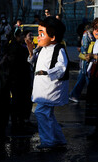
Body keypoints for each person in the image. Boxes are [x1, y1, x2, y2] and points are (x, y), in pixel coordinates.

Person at [30, 16, 68, 149]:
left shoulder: (58, 49)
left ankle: (48, 140)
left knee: (41, 112)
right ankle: (58, 139)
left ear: (52, 37)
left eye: (41, 34)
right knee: (48, 114)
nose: (38, 37)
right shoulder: (42, 49)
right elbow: (32, 61)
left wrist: (47, 73)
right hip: (43, 87)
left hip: (50, 87)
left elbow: (62, 67)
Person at [7, 29, 33, 135]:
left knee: (19, 100)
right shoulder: (16, 47)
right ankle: (17, 122)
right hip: (19, 78)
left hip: (19, 77)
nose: (23, 37)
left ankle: (19, 121)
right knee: (18, 100)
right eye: (21, 35)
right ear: (17, 36)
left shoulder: (17, 46)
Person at [69, 22, 94, 103]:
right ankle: (74, 95)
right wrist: (87, 55)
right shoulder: (87, 35)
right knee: (85, 77)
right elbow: (85, 47)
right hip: (86, 59)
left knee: (83, 77)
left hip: (89, 59)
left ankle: (74, 94)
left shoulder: (90, 34)